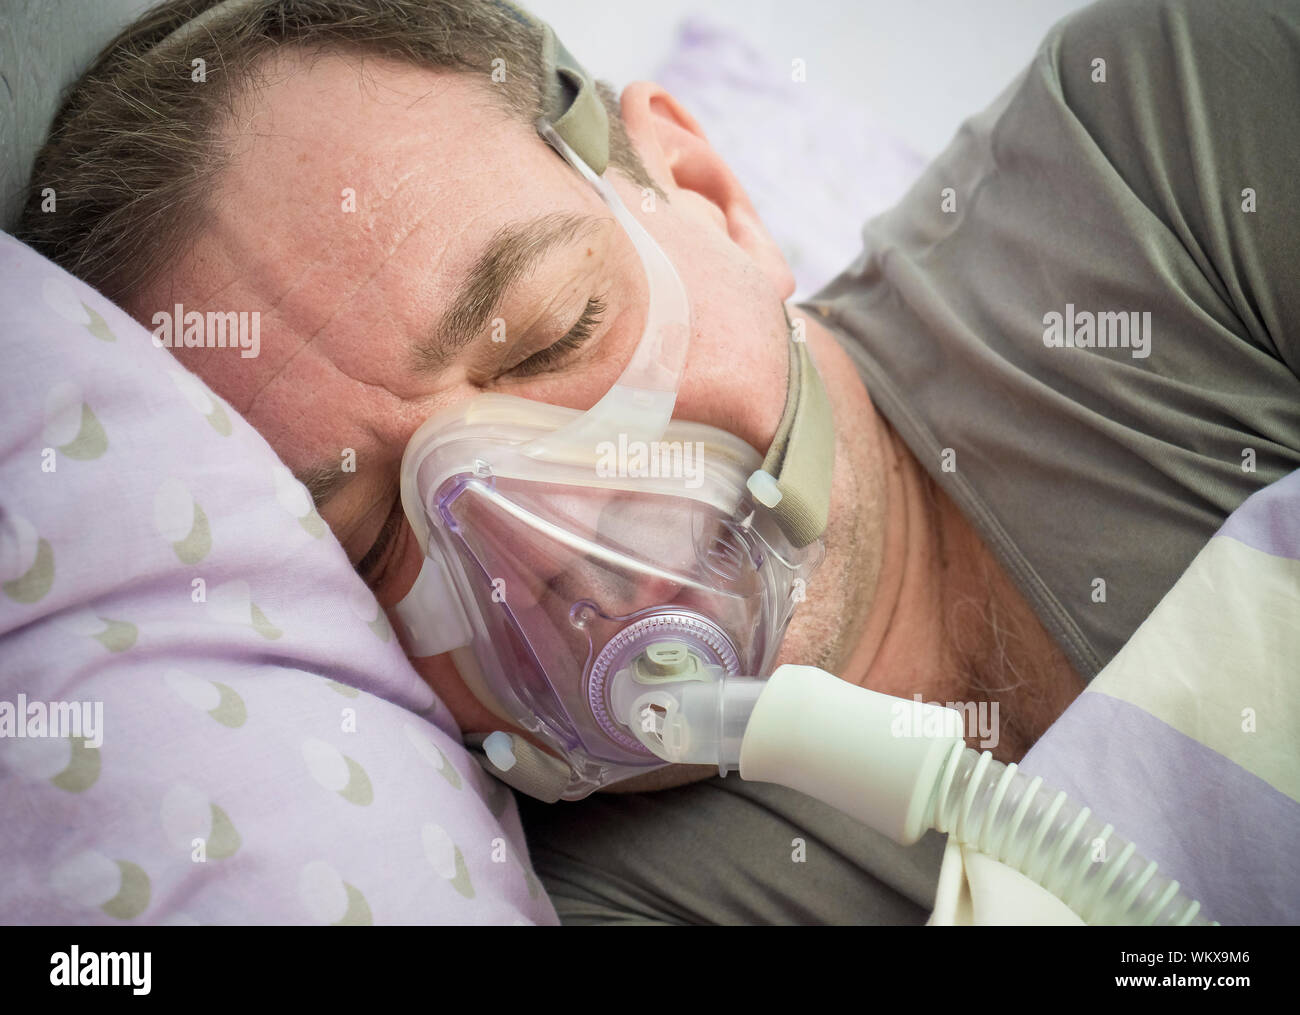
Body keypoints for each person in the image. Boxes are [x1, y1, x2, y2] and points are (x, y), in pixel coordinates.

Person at [16, 0, 1299, 924]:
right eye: (373, 544)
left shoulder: (1165, 156)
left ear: (703, 189)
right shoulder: (610, 908)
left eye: (553, 337)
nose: (555, 543)